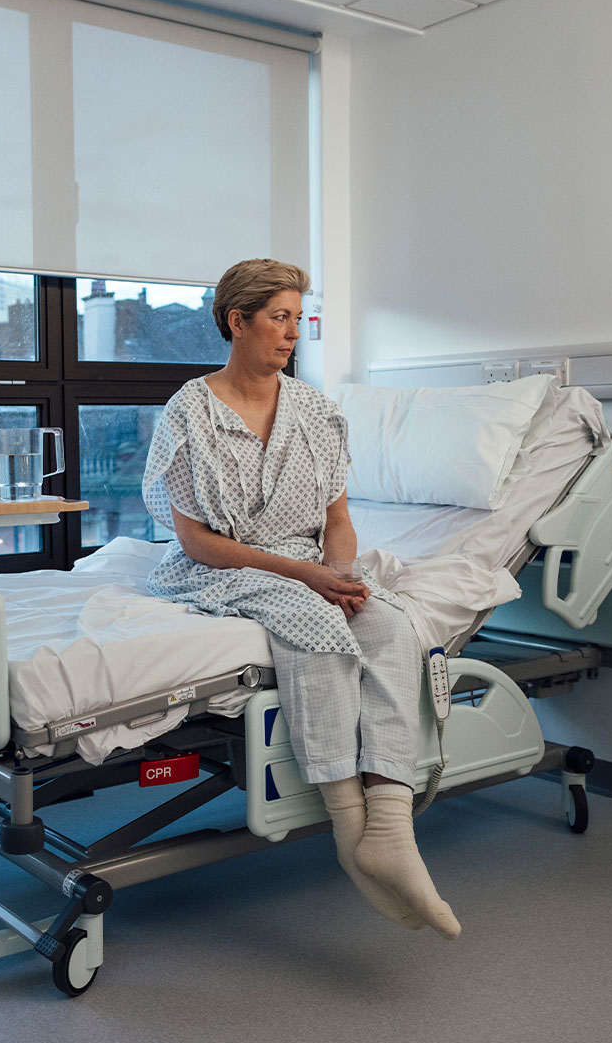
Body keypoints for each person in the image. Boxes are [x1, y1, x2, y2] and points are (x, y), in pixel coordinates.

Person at [140, 258, 460, 939]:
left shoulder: (314, 409)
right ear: (237, 321)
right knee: (311, 621)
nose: (292, 334)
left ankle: (393, 830)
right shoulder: (189, 413)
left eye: (297, 319)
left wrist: (338, 573)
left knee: (393, 624)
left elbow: (337, 519)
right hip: (224, 567)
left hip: (313, 564)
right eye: (279, 318)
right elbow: (197, 542)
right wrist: (306, 580)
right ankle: (351, 832)